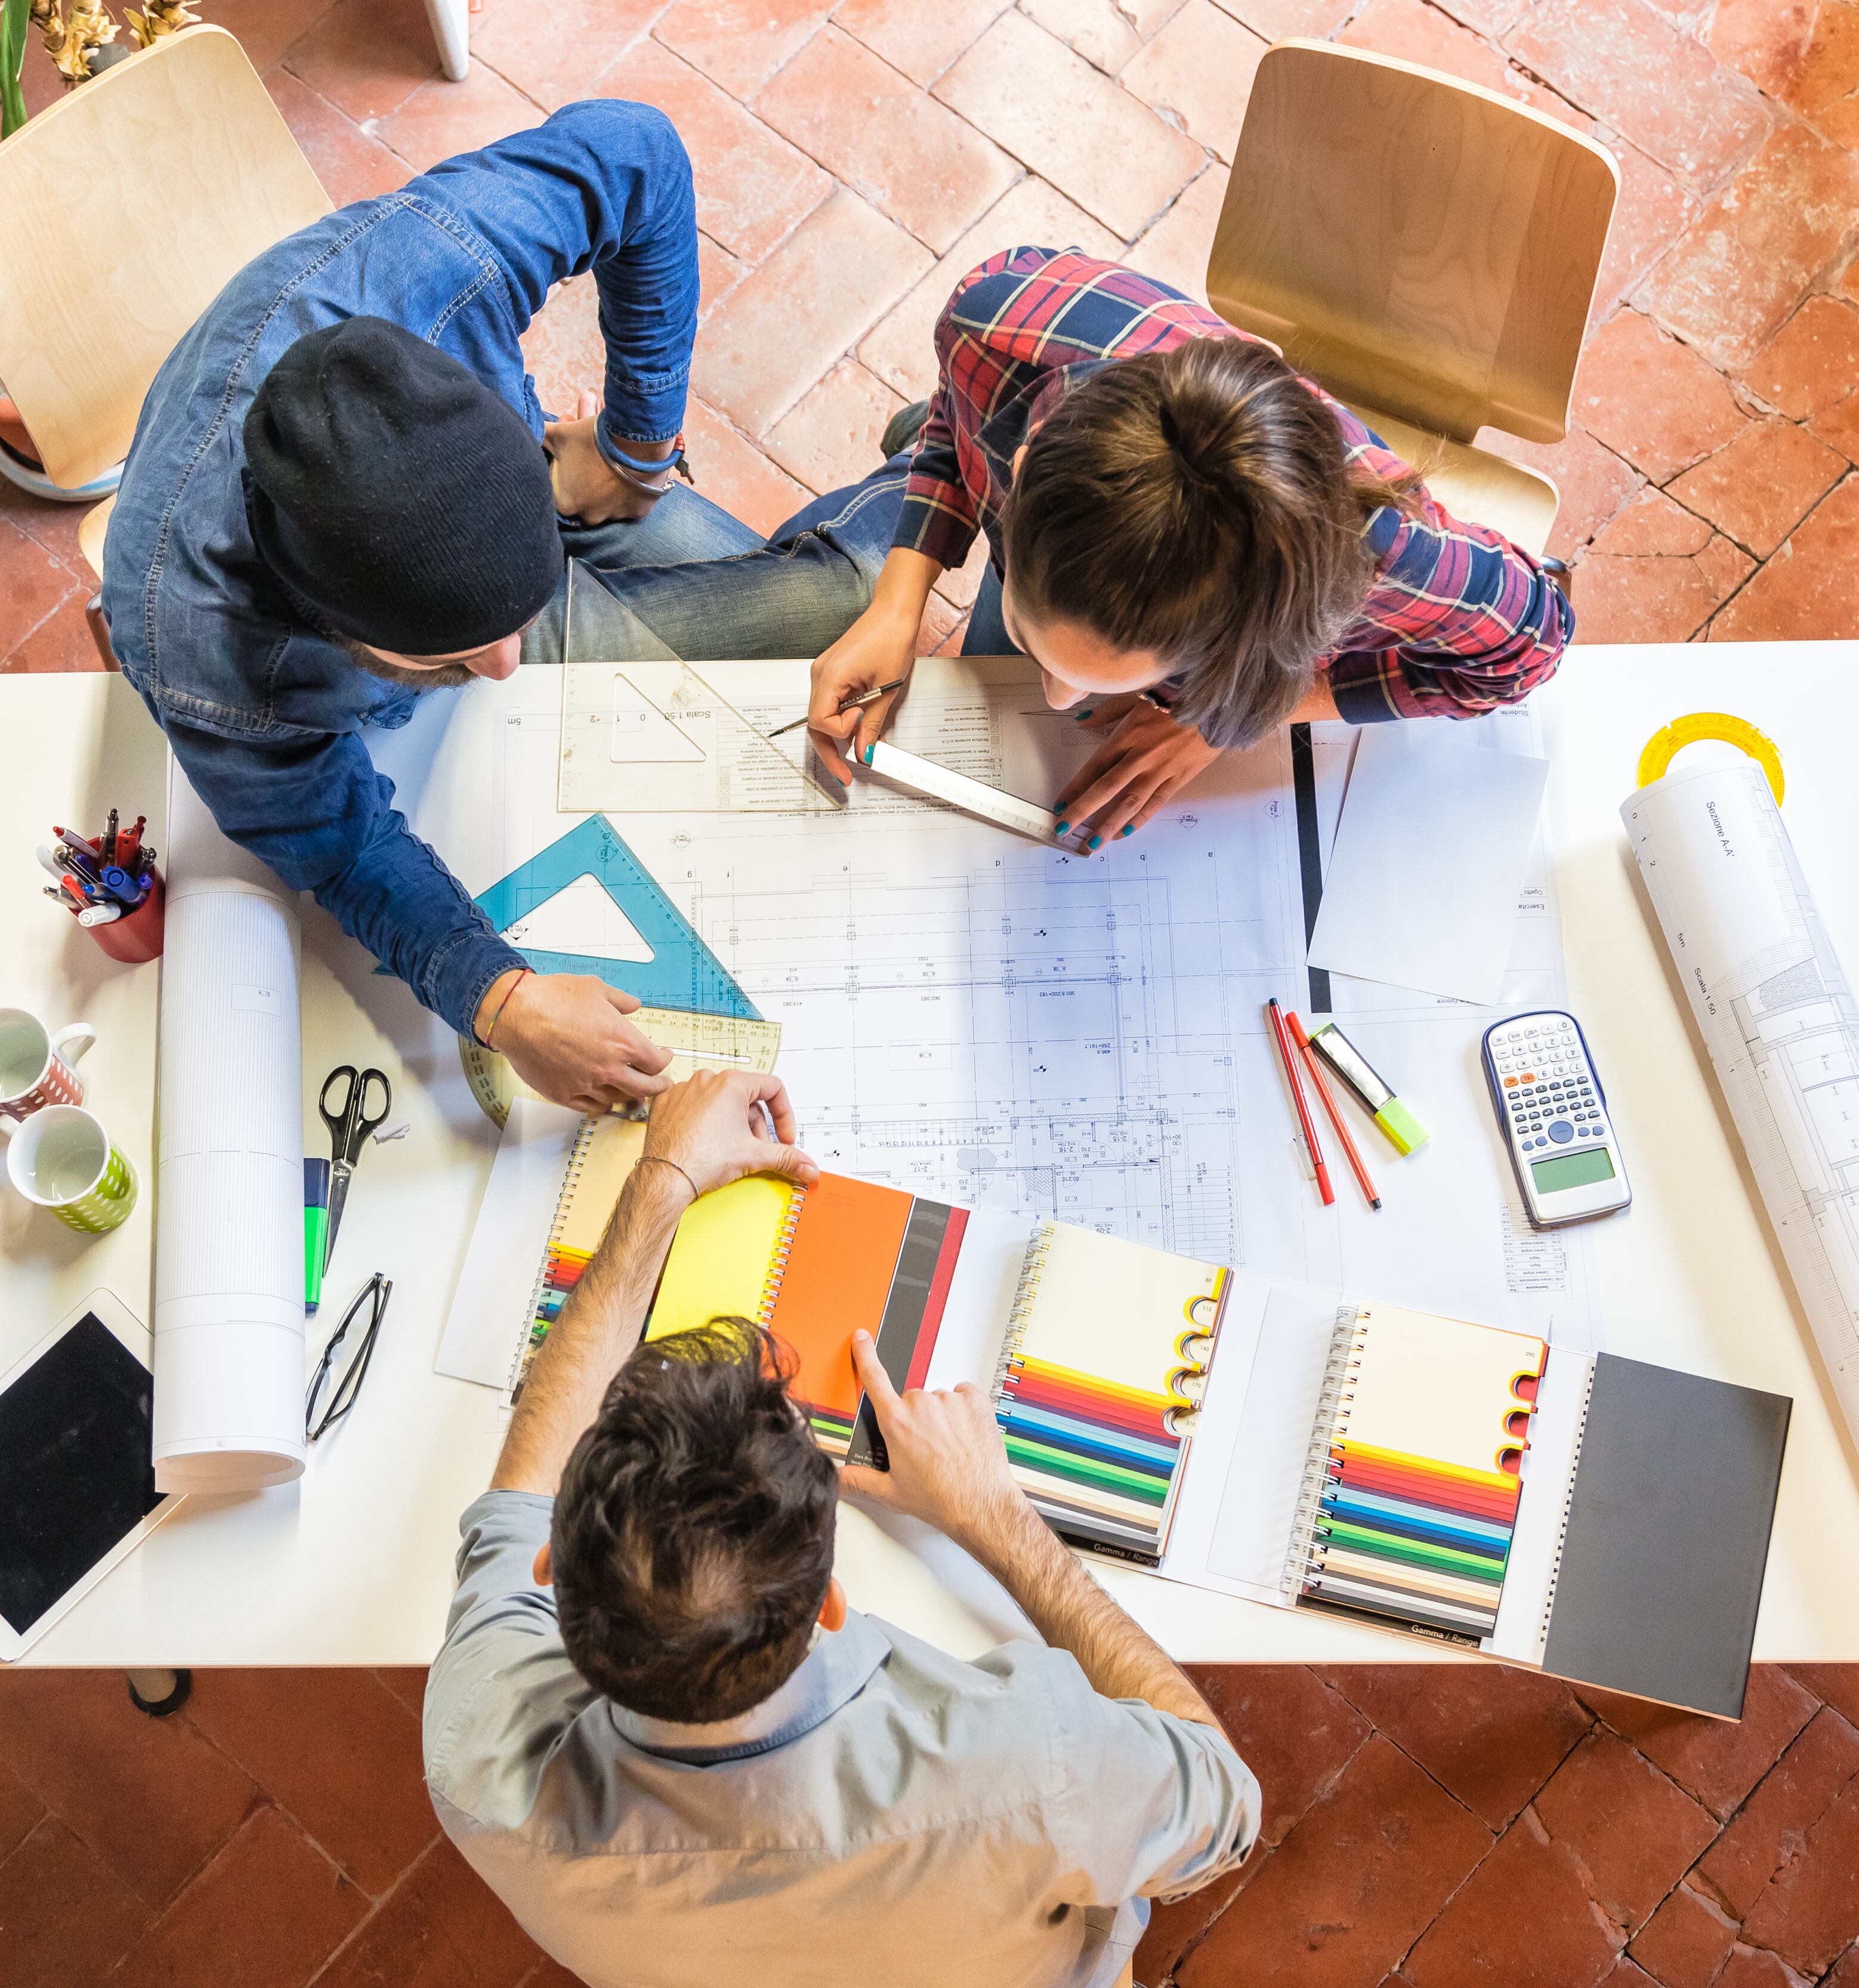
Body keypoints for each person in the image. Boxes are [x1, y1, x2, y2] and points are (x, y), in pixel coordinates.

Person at [101, 103, 908, 1114]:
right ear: (338, 632)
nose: (509, 670)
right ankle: (927, 472)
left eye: (514, 626)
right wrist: (503, 1000)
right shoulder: (207, 663)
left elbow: (639, 153)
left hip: (542, 493)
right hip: (389, 580)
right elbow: (342, 847)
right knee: (823, 614)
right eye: (454, 660)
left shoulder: (433, 265)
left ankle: (941, 459)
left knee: (865, 602)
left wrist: (634, 447)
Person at [424, 1068, 1259, 1988]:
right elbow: (1224, 1800)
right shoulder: (1034, 1761)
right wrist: (997, 1517)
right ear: (827, 1603)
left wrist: (665, 1172)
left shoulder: (481, 1750)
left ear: (550, 1566)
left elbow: (524, 1474)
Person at [807, 247, 1576, 850]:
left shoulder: (1380, 558)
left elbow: (1535, 645)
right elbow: (958, 421)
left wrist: (1231, 717)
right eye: (1040, 647)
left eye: (1165, 677)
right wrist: (897, 601)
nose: (1057, 702)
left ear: (1253, 638)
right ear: (1023, 464)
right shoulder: (995, 321)